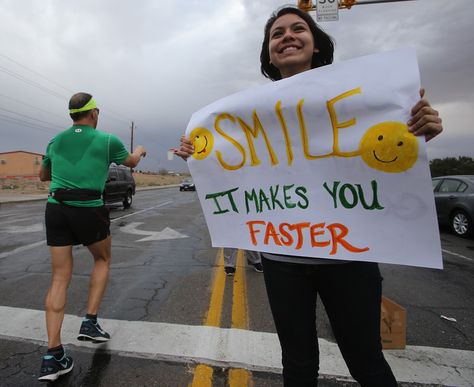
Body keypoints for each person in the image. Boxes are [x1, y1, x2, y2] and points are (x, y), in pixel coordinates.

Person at [177, 6, 443, 386]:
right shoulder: (248, 115)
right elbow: (227, 159)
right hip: (283, 259)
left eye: (298, 28)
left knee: (367, 363)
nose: (287, 36)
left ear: (316, 44)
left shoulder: (364, 96)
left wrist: (422, 128)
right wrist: (197, 153)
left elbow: (390, 148)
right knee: (298, 366)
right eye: (277, 33)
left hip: (351, 258)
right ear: (269, 53)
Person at [37, 92, 146, 382]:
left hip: (56, 207)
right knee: (102, 259)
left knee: (59, 277)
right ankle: (90, 322)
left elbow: (43, 176)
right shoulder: (108, 140)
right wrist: (142, 151)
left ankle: (52, 356)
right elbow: (131, 162)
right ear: (93, 113)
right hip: (89, 209)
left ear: (72, 115)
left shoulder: (55, 141)